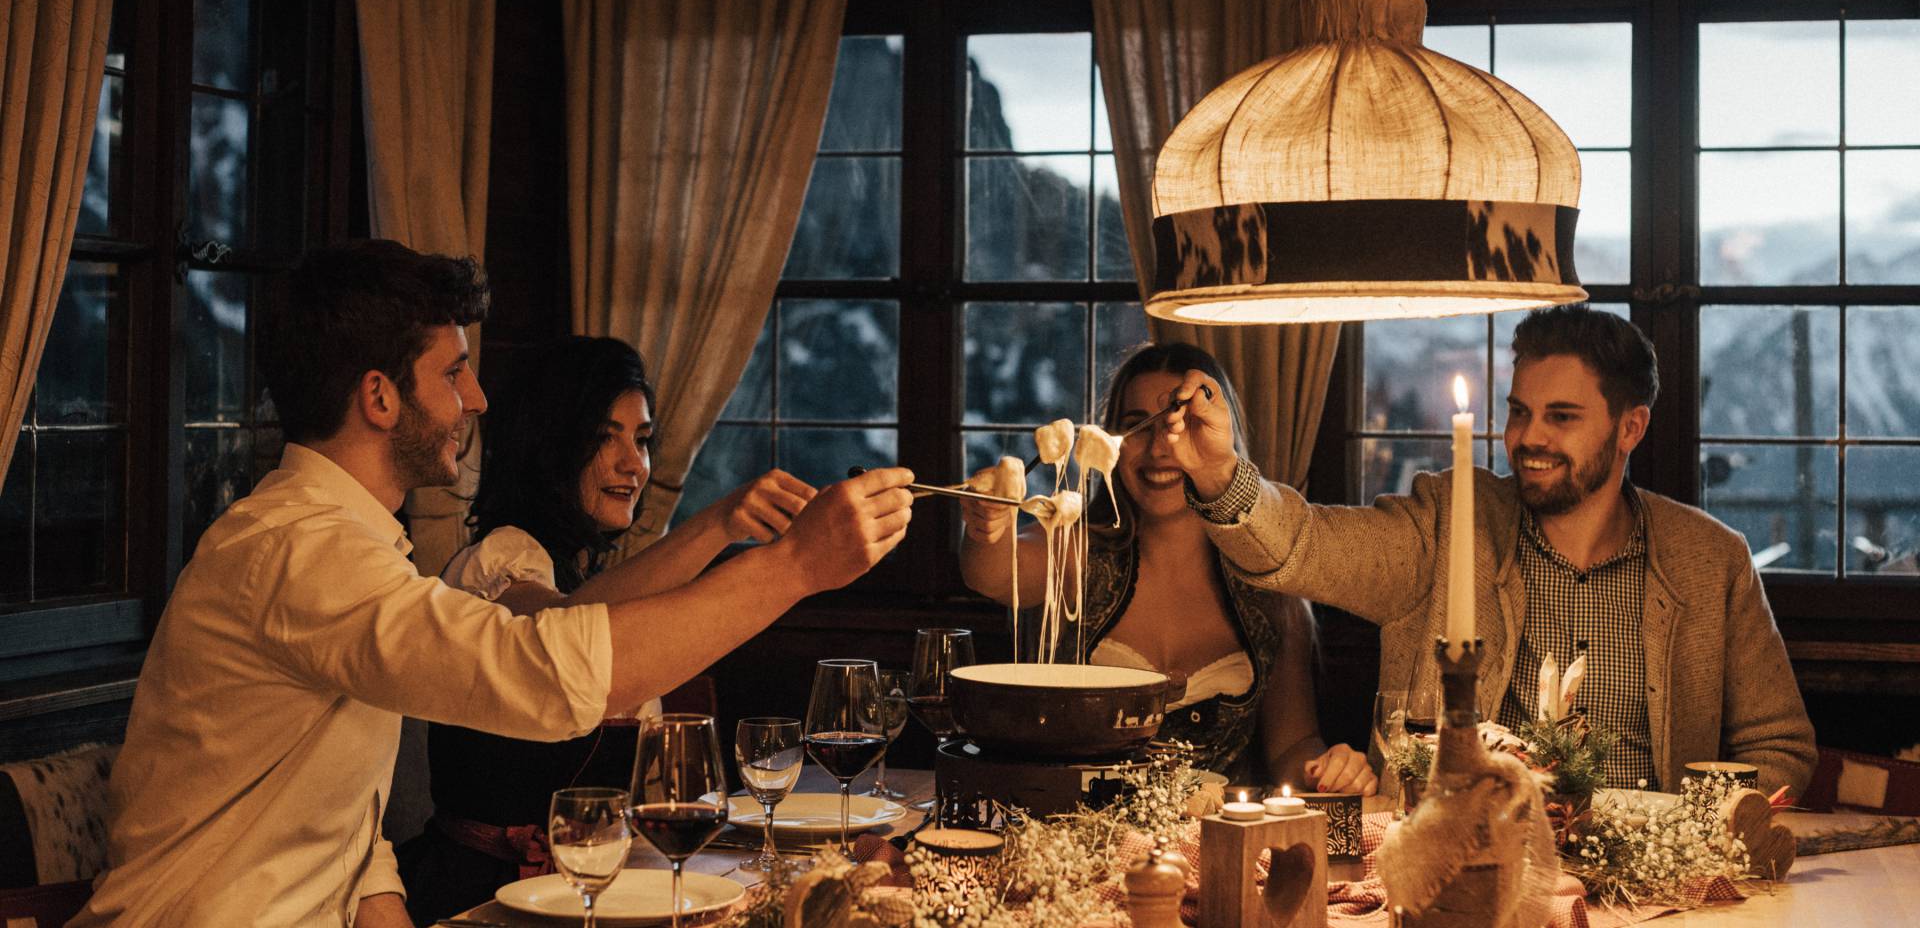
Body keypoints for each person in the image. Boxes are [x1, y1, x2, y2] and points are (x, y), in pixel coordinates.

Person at [73, 241, 914, 928]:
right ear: (379, 397)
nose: (476, 398)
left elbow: (340, 832)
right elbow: (542, 672)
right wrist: (795, 567)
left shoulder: (344, 547)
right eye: (453, 373)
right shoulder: (300, 550)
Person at [1155, 304, 1816, 795]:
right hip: (1461, 871)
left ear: (1630, 426)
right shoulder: (1444, 525)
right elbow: (1303, 546)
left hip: (1651, 893)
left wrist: (1691, 835)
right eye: (1519, 410)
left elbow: (1780, 745)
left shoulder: (1711, 562)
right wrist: (1220, 475)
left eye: (1561, 417)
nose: (1527, 437)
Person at [396, 336, 814, 921]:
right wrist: (720, 525)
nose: (633, 464)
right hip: (485, 897)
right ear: (549, 446)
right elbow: (565, 638)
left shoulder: (587, 571)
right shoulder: (499, 558)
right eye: (603, 438)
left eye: (641, 440)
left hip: (583, 889)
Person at [958, 343, 1376, 793]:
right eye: (1136, 426)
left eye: (1182, 424)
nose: (1159, 448)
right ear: (1110, 446)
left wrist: (1330, 772)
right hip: (1074, 846)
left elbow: (1292, 746)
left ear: (1220, 439)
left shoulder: (1268, 578)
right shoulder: (1078, 546)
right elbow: (995, 574)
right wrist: (989, 526)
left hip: (1215, 849)